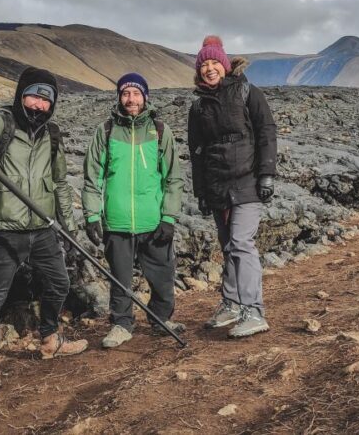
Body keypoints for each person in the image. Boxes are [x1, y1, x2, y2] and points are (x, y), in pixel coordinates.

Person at [0, 66, 87, 390]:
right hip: (4, 228)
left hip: (42, 227)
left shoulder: (52, 134)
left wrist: (70, 225)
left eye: (46, 100)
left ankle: (50, 338)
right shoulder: (0, 124)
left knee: (59, 283)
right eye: (34, 96)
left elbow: (60, 182)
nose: (39, 105)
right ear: (22, 95)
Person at [82, 72, 184, 349]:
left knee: (162, 276)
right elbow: (92, 177)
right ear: (119, 97)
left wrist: (169, 217)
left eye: (136, 93)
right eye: (126, 93)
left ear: (145, 97)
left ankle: (162, 319)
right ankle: (121, 324)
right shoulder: (105, 131)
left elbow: (173, 178)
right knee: (120, 278)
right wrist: (92, 215)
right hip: (117, 222)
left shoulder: (160, 131)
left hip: (153, 221)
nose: (131, 99)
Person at [187, 36, 277, 338]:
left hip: (247, 180)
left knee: (241, 243)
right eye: (204, 65)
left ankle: (254, 310)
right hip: (217, 185)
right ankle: (232, 302)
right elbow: (196, 151)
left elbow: (266, 131)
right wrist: (201, 191)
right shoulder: (198, 106)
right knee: (227, 247)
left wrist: (267, 174)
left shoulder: (247, 92)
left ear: (225, 65)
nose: (210, 69)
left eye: (214, 63)